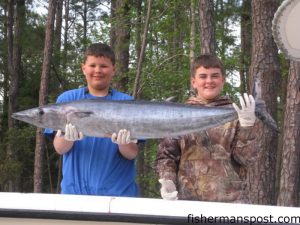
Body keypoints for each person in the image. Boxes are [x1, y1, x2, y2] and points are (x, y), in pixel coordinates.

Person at [155, 54, 259, 203]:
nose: (209, 81)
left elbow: (246, 160)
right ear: (193, 82)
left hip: (232, 204)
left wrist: (247, 128)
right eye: (203, 76)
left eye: (215, 76)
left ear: (223, 80)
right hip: (187, 203)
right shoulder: (178, 114)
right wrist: (167, 180)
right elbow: (166, 156)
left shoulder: (238, 115)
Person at [44, 43, 140, 197]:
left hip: (120, 196)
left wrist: (124, 143)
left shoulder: (127, 102)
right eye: (92, 65)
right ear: (84, 68)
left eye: (103, 66)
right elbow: (60, 149)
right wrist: (66, 137)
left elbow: (131, 154)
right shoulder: (67, 100)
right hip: (74, 196)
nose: (97, 70)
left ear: (113, 69)